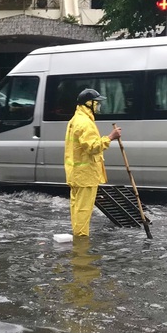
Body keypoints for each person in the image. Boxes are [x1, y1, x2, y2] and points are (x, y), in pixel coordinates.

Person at [64, 88, 121, 238]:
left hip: (76, 174)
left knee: (76, 209)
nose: (99, 106)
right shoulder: (85, 123)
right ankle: (81, 243)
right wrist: (110, 137)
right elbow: (92, 147)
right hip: (85, 176)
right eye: (97, 103)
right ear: (89, 103)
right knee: (83, 210)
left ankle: (78, 235)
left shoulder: (76, 119)